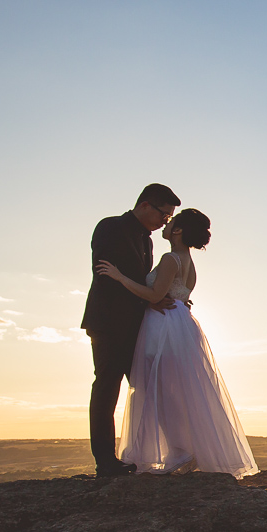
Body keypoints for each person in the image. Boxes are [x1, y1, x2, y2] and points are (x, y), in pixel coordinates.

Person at [96, 208, 258, 478]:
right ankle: (182, 449)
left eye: (171, 222)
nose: (166, 224)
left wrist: (120, 277)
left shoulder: (170, 258)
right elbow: (179, 295)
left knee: (157, 388)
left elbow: (155, 294)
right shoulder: (189, 262)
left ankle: (179, 449)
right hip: (179, 323)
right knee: (173, 391)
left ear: (179, 231)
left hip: (162, 327)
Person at [82, 184, 180, 476]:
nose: (166, 221)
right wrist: (148, 299)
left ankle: (173, 451)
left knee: (150, 387)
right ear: (146, 205)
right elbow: (104, 275)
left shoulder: (148, 242)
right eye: (164, 214)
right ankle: (105, 461)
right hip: (109, 323)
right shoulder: (110, 227)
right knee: (107, 387)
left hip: (139, 325)